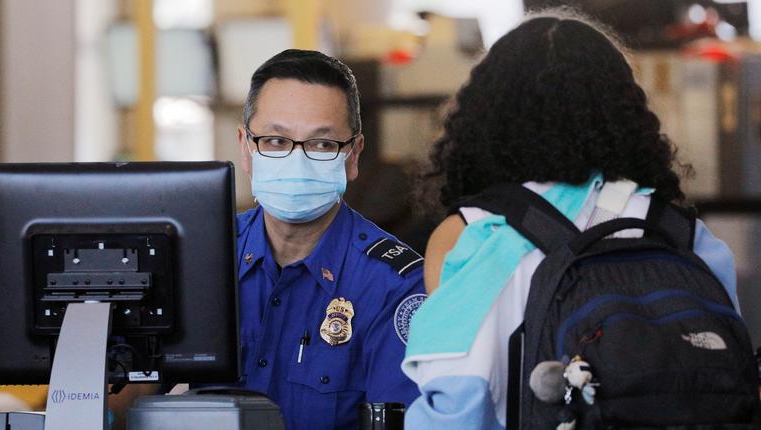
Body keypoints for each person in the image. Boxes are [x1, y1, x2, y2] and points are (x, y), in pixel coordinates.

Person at [401, 9, 739, 429]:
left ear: (488, 115)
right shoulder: (681, 231)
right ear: (623, 112)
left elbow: (456, 402)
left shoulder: (473, 233)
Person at [234, 49, 424, 429]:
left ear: (353, 156)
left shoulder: (394, 286)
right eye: (275, 140)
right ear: (246, 148)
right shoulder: (202, 259)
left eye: (322, 144)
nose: (296, 160)